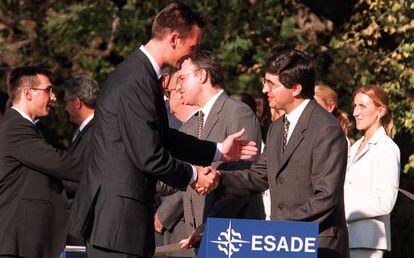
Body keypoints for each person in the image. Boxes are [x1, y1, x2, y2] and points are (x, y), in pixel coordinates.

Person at [69, 3, 257, 258]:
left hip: (122, 223)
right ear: (174, 39)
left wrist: (218, 150)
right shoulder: (136, 81)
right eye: (192, 47)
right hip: (117, 224)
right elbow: (149, 154)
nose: (191, 56)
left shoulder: (141, 75)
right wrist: (194, 176)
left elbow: (163, 135)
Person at [213, 50, 350, 258]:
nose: (264, 89)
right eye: (264, 81)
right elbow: (259, 176)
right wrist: (216, 179)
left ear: (295, 88)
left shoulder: (326, 129)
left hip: (318, 244)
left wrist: (278, 228)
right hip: (282, 244)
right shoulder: (277, 128)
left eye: (272, 84)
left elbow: (326, 197)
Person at [175, 50, 264, 251]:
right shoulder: (190, 125)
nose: (178, 86)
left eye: (182, 78)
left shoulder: (237, 112)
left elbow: (244, 177)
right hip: (199, 240)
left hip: (233, 238)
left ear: (202, 75)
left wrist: (210, 227)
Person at [0, 66, 82, 258]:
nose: (53, 97)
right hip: (18, 245)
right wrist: (109, 163)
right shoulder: (15, 128)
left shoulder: (24, 128)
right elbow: (59, 163)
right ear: (28, 93)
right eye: (48, 90)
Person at [345, 85, 400, 258]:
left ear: (381, 111)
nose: (355, 113)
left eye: (362, 106)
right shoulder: (354, 147)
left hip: (367, 242)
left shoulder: (388, 148)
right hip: (344, 237)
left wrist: (342, 208)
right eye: (355, 106)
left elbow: (384, 201)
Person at [63, 74, 100, 245]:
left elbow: (85, 175)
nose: (65, 107)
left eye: (66, 102)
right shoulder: (85, 131)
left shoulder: (94, 132)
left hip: (87, 220)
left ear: (77, 102)